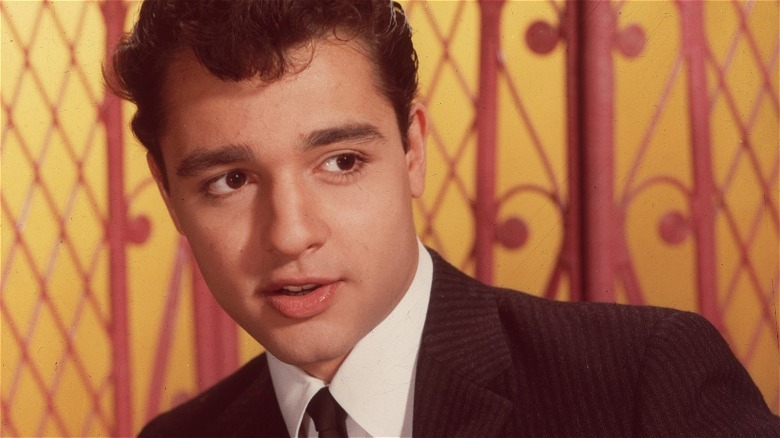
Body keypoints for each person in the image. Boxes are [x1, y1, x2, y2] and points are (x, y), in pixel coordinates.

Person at [107, 1, 780, 436]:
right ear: (170, 198)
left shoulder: (641, 383)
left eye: (340, 162)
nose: (289, 233)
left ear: (414, 151)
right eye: (230, 180)